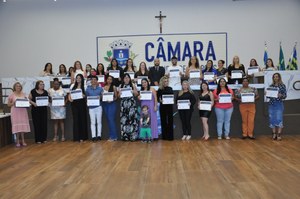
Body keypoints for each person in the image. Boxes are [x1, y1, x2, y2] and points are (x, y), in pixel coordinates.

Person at [7, 82, 30, 147]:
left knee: (22, 127)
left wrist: (27, 103)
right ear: (14, 87)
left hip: (23, 111)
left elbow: (27, 102)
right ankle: (17, 141)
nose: (18, 87)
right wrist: (13, 103)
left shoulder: (24, 94)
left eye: (19, 86)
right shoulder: (11, 95)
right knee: (17, 127)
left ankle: (23, 140)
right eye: (17, 86)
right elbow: (8, 104)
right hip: (15, 112)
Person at [118, 73, 139, 141]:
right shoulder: (121, 86)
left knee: (132, 120)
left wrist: (133, 91)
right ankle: (125, 136)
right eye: (125, 78)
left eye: (127, 77)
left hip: (131, 106)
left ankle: (133, 136)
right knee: (124, 121)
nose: (126, 79)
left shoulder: (133, 85)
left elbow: (136, 94)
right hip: (123, 106)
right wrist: (119, 93)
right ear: (123, 79)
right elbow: (118, 96)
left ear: (130, 79)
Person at [266, 73, 286, 140]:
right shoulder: (271, 86)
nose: (275, 78)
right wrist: (267, 94)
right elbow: (268, 96)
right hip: (271, 104)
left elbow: (285, 96)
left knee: (279, 118)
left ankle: (279, 134)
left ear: (279, 77)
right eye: (274, 77)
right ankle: (274, 134)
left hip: (279, 103)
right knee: (272, 119)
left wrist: (281, 95)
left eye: (277, 77)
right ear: (273, 78)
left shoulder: (282, 86)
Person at [68, 74, 88, 142]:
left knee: (82, 119)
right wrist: (69, 99)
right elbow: (69, 94)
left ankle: (83, 137)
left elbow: (86, 95)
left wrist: (83, 95)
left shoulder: (84, 86)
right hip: (74, 104)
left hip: (81, 103)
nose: (78, 79)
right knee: (76, 120)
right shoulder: (72, 85)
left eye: (79, 78)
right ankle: (76, 137)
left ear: (82, 79)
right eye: (77, 78)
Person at [86, 75, 103, 142]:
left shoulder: (100, 89)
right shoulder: (88, 89)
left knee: (99, 122)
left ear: (97, 81)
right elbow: (87, 97)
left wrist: (101, 97)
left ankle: (99, 136)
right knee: (92, 122)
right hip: (91, 108)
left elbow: (102, 97)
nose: (93, 81)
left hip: (99, 107)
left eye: (95, 80)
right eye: (92, 80)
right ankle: (93, 136)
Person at [157, 76, 174, 140]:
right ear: (162, 82)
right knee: (163, 121)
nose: (166, 82)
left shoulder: (170, 88)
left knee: (170, 121)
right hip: (163, 107)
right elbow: (158, 98)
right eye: (165, 81)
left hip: (169, 107)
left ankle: (170, 137)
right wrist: (160, 100)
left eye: (167, 81)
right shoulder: (160, 89)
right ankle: (164, 136)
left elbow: (172, 97)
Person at [102, 75, 118, 141]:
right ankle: (111, 136)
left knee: (111, 120)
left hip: (112, 104)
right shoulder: (104, 87)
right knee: (109, 120)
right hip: (105, 104)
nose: (109, 80)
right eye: (108, 79)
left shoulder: (114, 87)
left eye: (110, 79)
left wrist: (112, 100)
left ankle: (114, 136)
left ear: (112, 80)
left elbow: (116, 97)